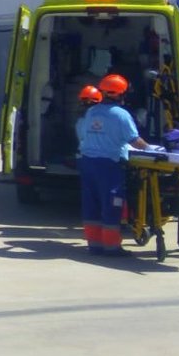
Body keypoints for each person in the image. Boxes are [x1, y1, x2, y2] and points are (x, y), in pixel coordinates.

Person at [76, 73, 150, 255]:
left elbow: (84, 135)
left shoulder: (91, 112)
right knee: (112, 204)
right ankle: (111, 247)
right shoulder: (121, 115)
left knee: (91, 203)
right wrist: (152, 149)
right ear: (120, 94)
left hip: (87, 163)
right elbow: (135, 141)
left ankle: (94, 245)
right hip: (109, 166)